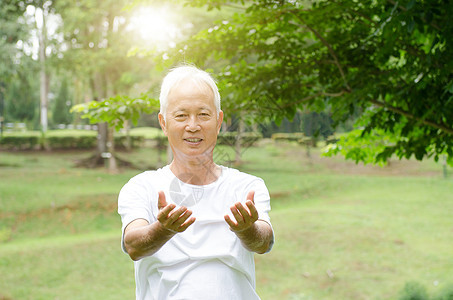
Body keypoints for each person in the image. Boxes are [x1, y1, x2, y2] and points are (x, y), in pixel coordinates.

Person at [118, 65, 274, 300]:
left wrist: (247, 229)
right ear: (163, 122)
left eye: (203, 114)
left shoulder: (246, 186)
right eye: (181, 115)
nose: (193, 125)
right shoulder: (142, 187)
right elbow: (134, 246)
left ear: (219, 120)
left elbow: (264, 241)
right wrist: (163, 230)